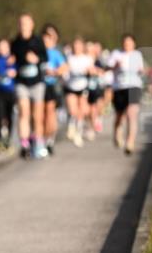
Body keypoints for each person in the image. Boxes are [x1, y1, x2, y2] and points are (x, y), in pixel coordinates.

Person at [11, 14, 49, 159]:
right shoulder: (15, 42)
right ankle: (25, 144)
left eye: (26, 23)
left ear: (32, 25)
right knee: (23, 112)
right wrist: (11, 63)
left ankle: (38, 142)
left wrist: (36, 59)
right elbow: (12, 59)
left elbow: (45, 58)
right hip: (21, 83)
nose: (23, 26)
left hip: (37, 83)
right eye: (21, 23)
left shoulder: (38, 41)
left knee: (37, 116)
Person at [109, 33, 145, 155]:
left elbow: (141, 69)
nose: (127, 45)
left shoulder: (137, 55)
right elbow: (108, 68)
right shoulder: (116, 54)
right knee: (120, 116)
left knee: (132, 114)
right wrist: (116, 66)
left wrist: (142, 71)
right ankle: (117, 133)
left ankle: (130, 142)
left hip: (134, 86)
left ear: (134, 44)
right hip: (119, 88)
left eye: (129, 42)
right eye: (125, 42)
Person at [41, 24, 68, 155]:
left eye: (50, 38)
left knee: (50, 113)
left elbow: (64, 67)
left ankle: (49, 140)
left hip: (52, 87)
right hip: (39, 87)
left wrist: (54, 72)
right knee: (40, 115)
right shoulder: (38, 52)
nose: (47, 41)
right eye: (45, 38)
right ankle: (41, 139)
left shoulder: (56, 53)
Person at [63, 37, 94, 147]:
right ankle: (71, 124)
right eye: (75, 45)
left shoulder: (87, 58)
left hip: (83, 87)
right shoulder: (69, 58)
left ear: (82, 47)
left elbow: (92, 70)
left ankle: (78, 132)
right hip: (71, 87)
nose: (76, 47)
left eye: (79, 45)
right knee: (73, 110)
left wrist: (91, 71)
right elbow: (64, 69)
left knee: (82, 111)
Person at [0, 39, 17, 153]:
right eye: (0, 46)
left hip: (11, 91)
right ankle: (0, 138)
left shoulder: (14, 59)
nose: (2, 49)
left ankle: (8, 139)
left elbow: (17, 71)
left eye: (4, 46)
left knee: (9, 115)